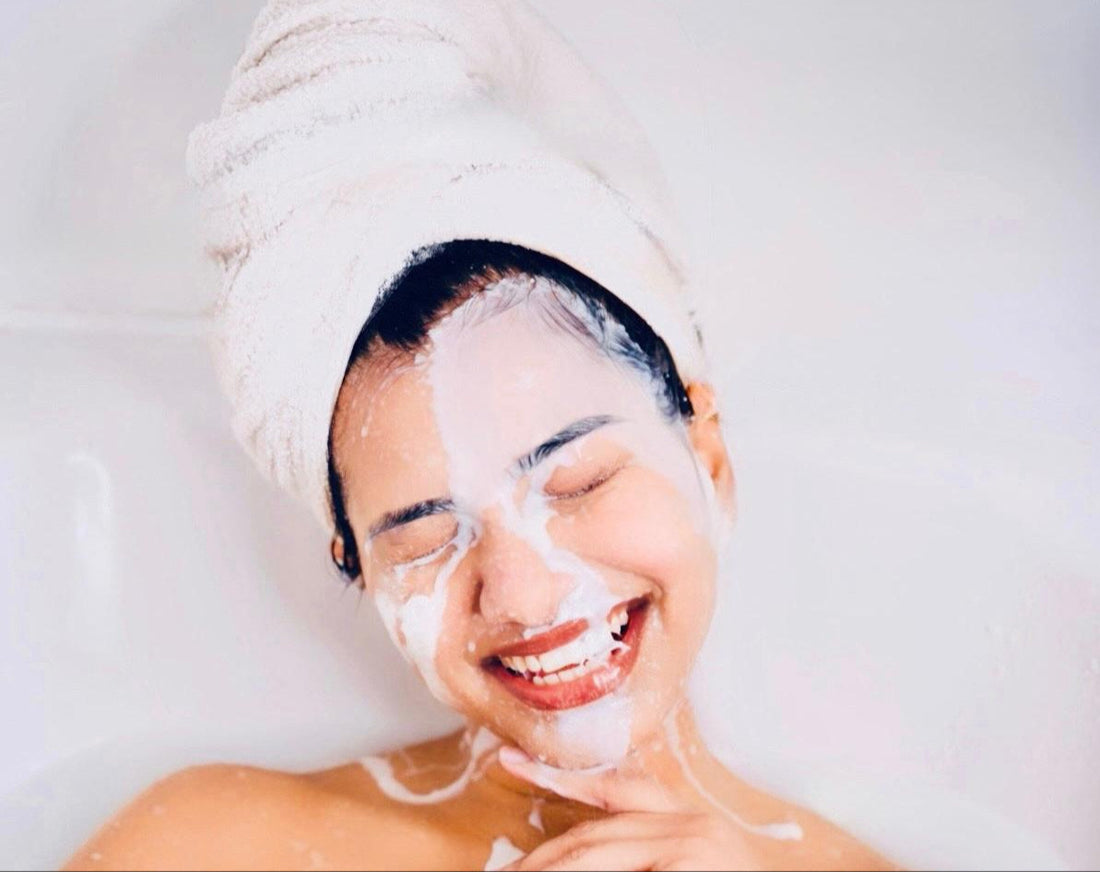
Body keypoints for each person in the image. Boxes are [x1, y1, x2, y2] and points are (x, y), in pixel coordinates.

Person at [68, 3, 896, 870]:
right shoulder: (205, 844)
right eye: (426, 536)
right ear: (354, 564)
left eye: (578, 480)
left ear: (710, 461)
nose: (526, 596)